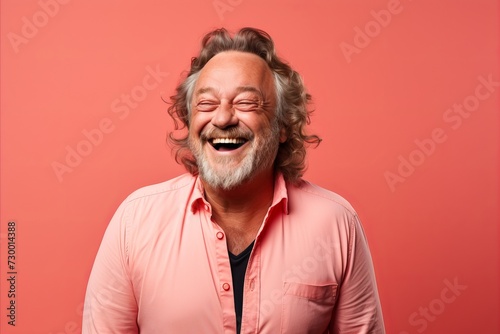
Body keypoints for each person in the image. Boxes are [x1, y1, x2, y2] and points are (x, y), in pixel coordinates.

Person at [82, 27, 385, 333]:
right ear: (189, 124)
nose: (223, 118)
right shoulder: (135, 223)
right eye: (206, 104)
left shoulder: (336, 223)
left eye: (246, 103)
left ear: (282, 126)